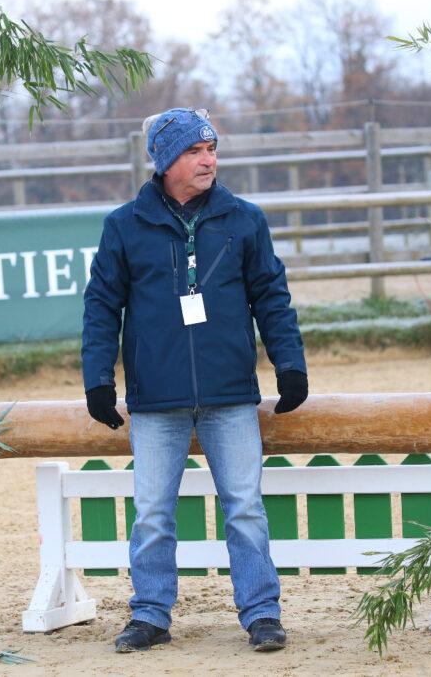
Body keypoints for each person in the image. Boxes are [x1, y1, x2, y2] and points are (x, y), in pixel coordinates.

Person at [81, 107, 308, 653]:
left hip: (230, 393)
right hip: (155, 400)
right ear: (165, 161)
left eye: (212, 150)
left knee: (246, 508)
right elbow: (101, 306)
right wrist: (97, 380)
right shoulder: (123, 225)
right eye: (194, 151)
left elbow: (271, 297)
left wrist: (291, 364)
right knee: (153, 513)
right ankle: (151, 613)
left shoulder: (245, 219)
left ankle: (261, 613)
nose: (208, 160)